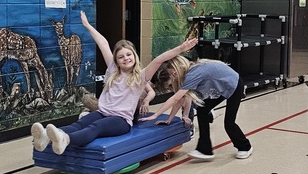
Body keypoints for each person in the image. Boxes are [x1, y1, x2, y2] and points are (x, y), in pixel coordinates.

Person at [31, 12, 197, 155]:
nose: (126, 58)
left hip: (121, 121)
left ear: (134, 56)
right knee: (80, 123)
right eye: (121, 57)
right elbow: (103, 43)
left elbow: (160, 59)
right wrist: (87, 25)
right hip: (103, 112)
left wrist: (181, 48)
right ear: (116, 61)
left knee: (95, 127)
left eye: (128, 55)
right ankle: (46, 137)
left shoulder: (141, 76)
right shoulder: (112, 71)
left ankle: (65, 139)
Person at [152, 55, 252, 161]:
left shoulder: (193, 74)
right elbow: (181, 99)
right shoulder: (188, 73)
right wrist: (169, 119)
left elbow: (175, 99)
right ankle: (205, 149)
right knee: (202, 110)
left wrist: (155, 115)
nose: (173, 83)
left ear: (175, 72)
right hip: (221, 87)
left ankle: (245, 147)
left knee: (229, 123)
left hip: (234, 85)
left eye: (172, 80)